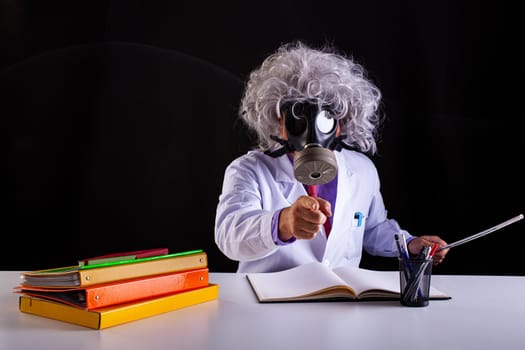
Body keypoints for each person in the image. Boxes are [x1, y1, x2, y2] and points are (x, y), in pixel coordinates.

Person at [214, 41, 449, 273]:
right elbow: (228, 236)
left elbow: (373, 228)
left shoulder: (362, 169)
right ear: (278, 121)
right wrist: (283, 223)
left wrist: (409, 244)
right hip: (268, 301)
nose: (311, 131)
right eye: (298, 116)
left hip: (340, 300)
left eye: (325, 118)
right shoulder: (248, 169)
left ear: (341, 123)